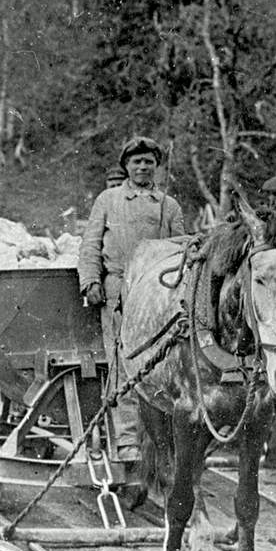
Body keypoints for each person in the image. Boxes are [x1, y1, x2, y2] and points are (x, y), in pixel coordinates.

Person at [78, 136, 185, 462]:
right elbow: (90, 244)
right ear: (126, 166)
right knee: (122, 363)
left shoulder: (168, 205)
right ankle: (126, 440)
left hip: (157, 296)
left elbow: (180, 248)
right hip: (118, 290)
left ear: (157, 167)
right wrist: (91, 281)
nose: (142, 167)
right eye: (136, 162)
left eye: (149, 162)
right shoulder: (108, 200)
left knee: (161, 363)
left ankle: (161, 441)